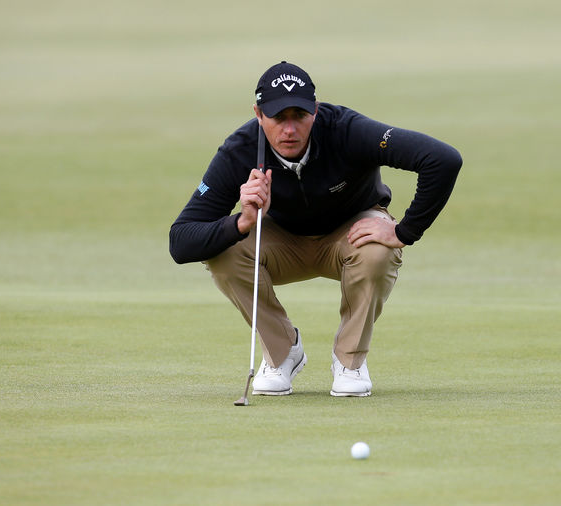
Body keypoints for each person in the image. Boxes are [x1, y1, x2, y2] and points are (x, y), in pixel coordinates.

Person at [170, 61, 462, 397]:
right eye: (279, 117)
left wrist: (404, 232)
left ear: (316, 110)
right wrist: (242, 221)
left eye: (300, 115)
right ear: (259, 114)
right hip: (282, 243)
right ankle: (282, 353)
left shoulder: (346, 130)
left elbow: (442, 159)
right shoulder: (241, 149)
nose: (290, 129)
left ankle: (350, 363)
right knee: (222, 250)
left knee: (378, 250)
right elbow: (180, 241)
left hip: (350, 236)